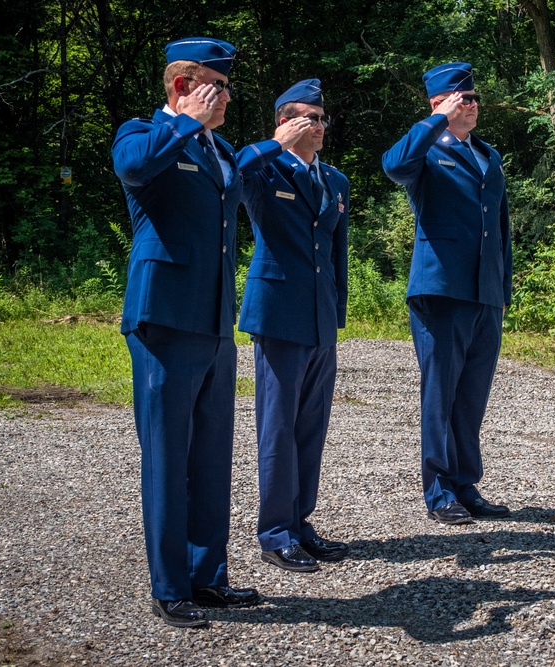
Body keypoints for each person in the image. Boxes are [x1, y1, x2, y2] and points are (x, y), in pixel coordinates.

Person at [112, 36, 308, 628]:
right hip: (165, 317)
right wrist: (185, 123)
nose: (227, 96)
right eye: (217, 86)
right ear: (182, 85)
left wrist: (274, 142)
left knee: (212, 456)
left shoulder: (217, 147)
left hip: (214, 320)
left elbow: (240, 168)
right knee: (168, 456)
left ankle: (209, 577)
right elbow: (134, 168)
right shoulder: (142, 133)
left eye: (225, 87)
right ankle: (170, 587)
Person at [382, 62, 513, 525]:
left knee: (471, 395)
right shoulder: (427, 151)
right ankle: (438, 492)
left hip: (484, 293)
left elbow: (500, 229)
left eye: (475, 98)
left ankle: (465, 484)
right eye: (463, 98)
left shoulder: (488, 156)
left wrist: (502, 290)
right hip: (441, 291)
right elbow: (393, 164)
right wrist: (435, 121)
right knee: (440, 395)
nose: (472, 105)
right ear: (438, 104)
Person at [237, 79, 350, 572]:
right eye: (307, 116)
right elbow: (231, 172)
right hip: (279, 314)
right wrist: (274, 145)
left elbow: (337, 254)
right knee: (278, 429)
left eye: (322, 117)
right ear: (283, 121)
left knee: (310, 427)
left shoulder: (336, 180)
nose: (318, 125)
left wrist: (336, 313)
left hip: (320, 316)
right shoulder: (263, 169)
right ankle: (275, 531)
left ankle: (301, 522)